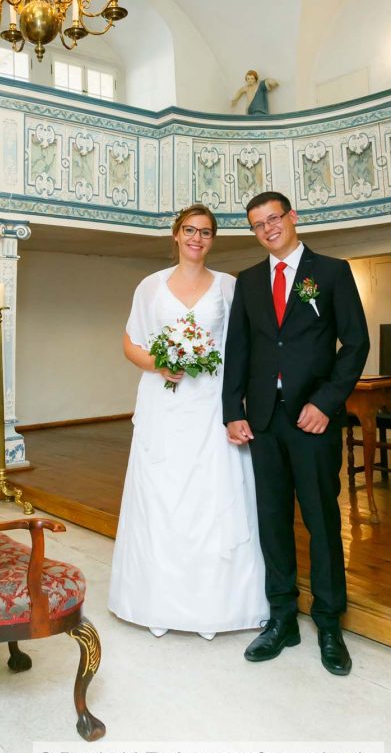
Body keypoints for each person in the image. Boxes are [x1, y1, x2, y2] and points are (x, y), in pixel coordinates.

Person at [222, 191, 369, 675]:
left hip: (313, 420)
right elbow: (238, 352)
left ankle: (329, 622)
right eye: (258, 224)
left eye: (274, 219)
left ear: (292, 218)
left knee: (322, 521)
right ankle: (282, 617)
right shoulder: (247, 282)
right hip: (263, 421)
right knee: (273, 521)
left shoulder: (330, 272)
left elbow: (355, 343)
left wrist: (327, 402)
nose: (268, 229)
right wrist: (232, 411)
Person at [108, 205, 268, 639]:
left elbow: (241, 347)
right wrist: (160, 362)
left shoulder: (229, 287)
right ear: (176, 235)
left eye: (206, 232)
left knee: (212, 495)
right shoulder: (150, 286)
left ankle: (215, 606)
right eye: (190, 230)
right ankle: (157, 601)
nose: (197, 238)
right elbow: (130, 342)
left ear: (213, 239)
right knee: (163, 495)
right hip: (164, 403)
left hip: (212, 404)